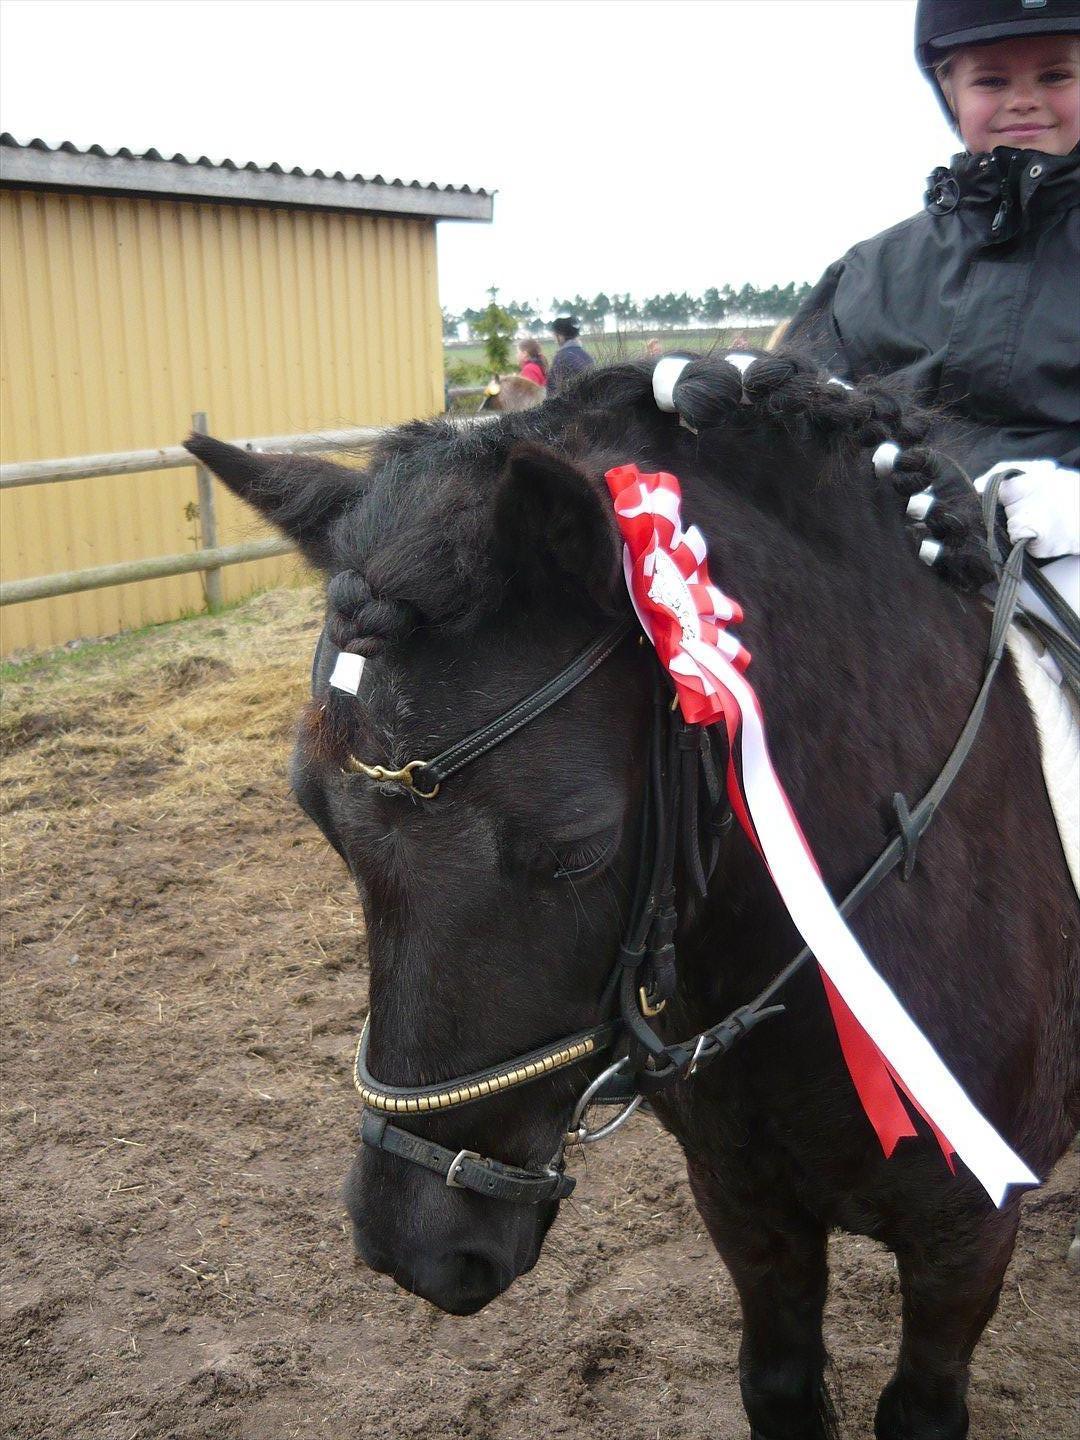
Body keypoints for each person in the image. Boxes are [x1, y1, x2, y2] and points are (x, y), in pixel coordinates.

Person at [786, 0, 1079, 601]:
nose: (1022, 100)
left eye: (1056, 76)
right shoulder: (868, 273)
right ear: (949, 89)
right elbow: (794, 439)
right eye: (991, 80)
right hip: (897, 578)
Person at [547, 316, 595, 397]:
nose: (554, 338)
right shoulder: (587, 356)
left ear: (560, 336)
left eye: (555, 334)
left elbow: (553, 392)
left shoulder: (561, 358)